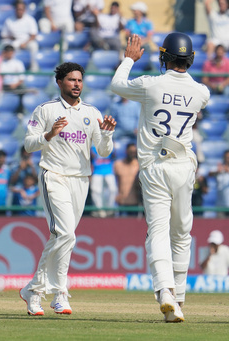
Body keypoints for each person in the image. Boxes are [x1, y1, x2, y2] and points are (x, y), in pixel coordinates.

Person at [110, 33, 210, 322]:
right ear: (190, 59)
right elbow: (192, 100)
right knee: (181, 234)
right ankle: (177, 298)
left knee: (158, 231)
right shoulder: (201, 92)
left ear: (163, 57)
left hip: (155, 166)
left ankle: (165, 292)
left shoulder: (149, 84)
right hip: (183, 167)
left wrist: (129, 58)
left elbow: (117, 85)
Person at [20, 62, 116, 316]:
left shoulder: (92, 112)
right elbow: (29, 145)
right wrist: (49, 135)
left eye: (80, 80)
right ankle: (59, 292)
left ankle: (34, 290)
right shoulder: (46, 110)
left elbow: (104, 151)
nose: (77, 84)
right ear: (60, 82)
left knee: (62, 237)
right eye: (72, 80)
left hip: (81, 180)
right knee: (66, 234)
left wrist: (106, 135)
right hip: (54, 176)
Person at [0, 1, 39, 72]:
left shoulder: (30, 20)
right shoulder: (9, 20)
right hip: (14, 42)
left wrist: (25, 43)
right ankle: (5, 68)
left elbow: (33, 35)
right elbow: (4, 35)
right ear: (15, 9)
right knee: (4, 44)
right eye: (18, 9)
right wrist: (11, 38)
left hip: (27, 42)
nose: (19, 11)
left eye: (21, 9)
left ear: (24, 10)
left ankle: (34, 68)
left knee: (34, 45)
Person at [113, 143, 141, 215]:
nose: (132, 154)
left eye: (134, 152)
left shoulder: (138, 165)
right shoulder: (118, 164)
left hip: (134, 202)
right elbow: (113, 182)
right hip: (121, 201)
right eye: (130, 152)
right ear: (126, 152)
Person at [90, 145, 116, 218]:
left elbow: (114, 156)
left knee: (112, 190)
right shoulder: (92, 145)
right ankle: (99, 211)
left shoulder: (109, 143)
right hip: (97, 171)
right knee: (95, 190)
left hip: (109, 170)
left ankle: (110, 210)